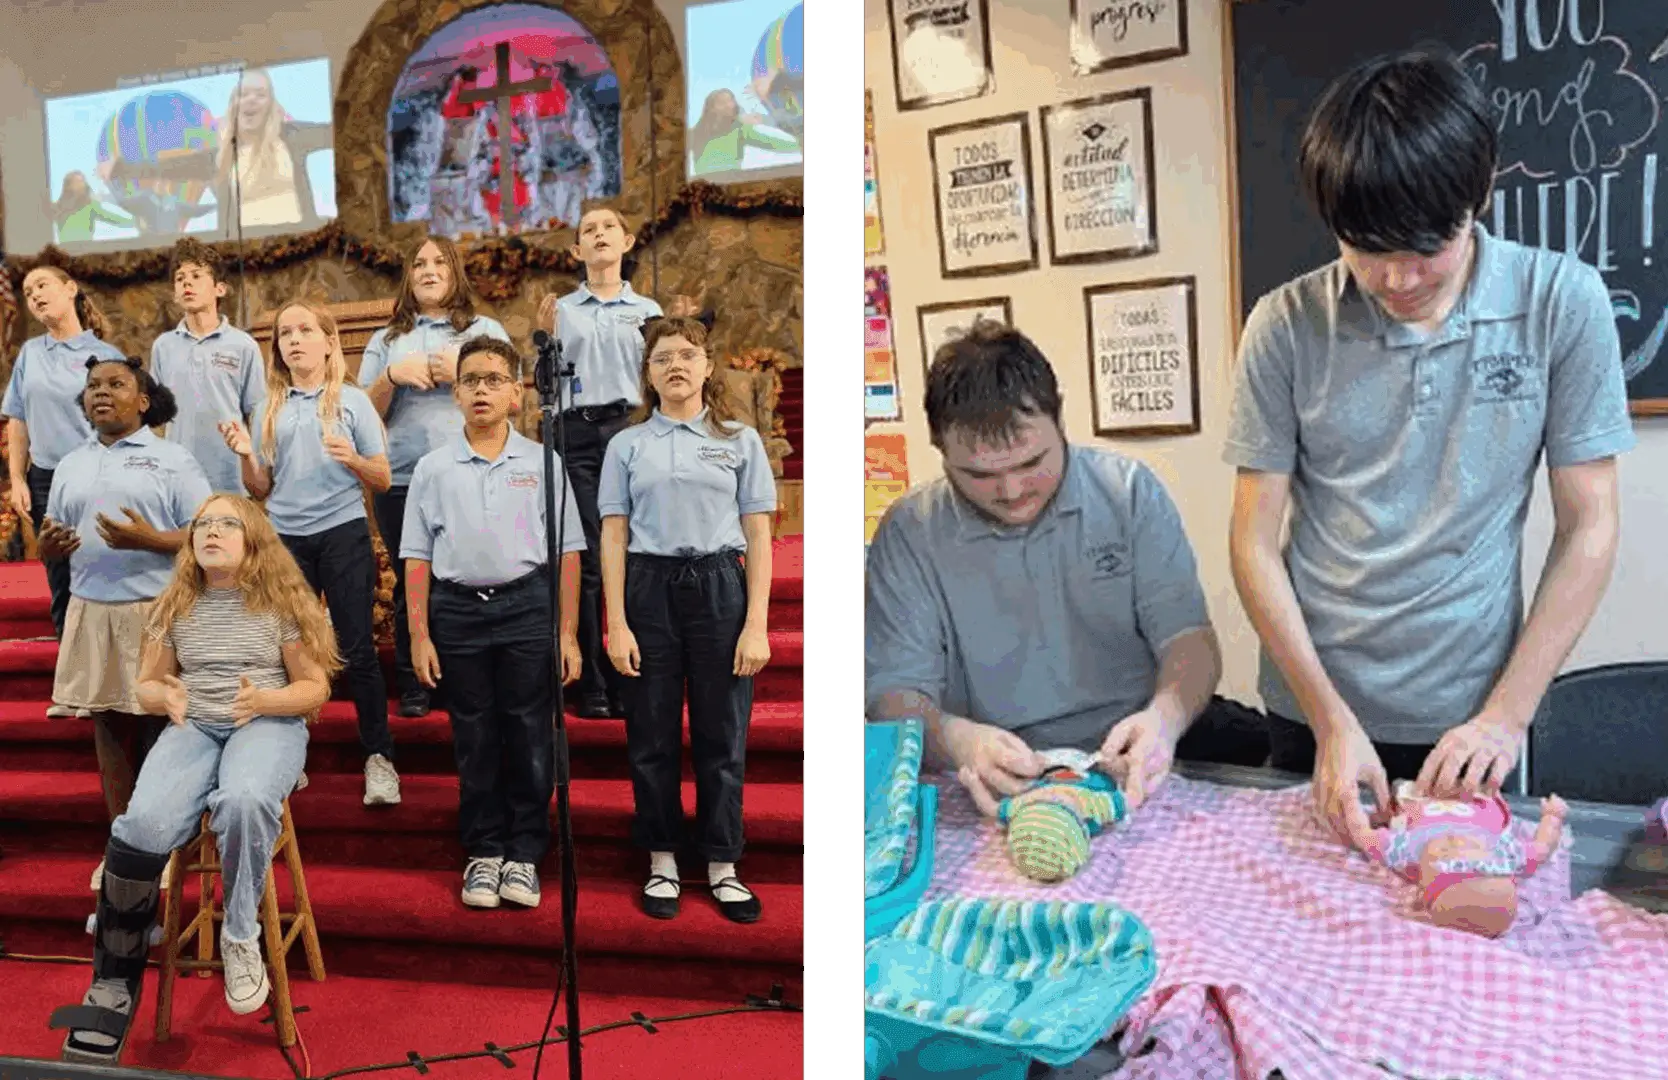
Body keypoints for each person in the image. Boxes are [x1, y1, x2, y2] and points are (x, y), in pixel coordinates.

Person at [1224, 48, 1633, 854]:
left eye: (1425, 247)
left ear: (1478, 192)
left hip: (1471, 718)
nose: (1396, 276)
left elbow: (1589, 526)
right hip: (1313, 707)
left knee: (1463, 924)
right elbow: (1251, 541)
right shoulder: (1284, 324)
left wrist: (1506, 716)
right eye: (1365, 247)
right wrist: (1329, 718)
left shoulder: (1561, 301)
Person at [865, 322, 1223, 818]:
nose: (1011, 492)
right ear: (939, 448)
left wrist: (1164, 720)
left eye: (1032, 462)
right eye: (979, 475)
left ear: (1060, 418)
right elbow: (892, 696)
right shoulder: (909, 531)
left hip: (1131, 752)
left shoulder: (1130, 493)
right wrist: (957, 739)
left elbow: (1189, 639)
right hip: (993, 773)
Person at [49, 494, 339, 1064]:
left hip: (267, 722)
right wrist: (164, 694)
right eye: (203, 524)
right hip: (195, 726)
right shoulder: (175, 602)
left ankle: (239, 937)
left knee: (243, 797)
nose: (211, 531)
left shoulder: (280, 601)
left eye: (226, 523)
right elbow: (148, 685)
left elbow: (315, 687)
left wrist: (269, 699)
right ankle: (114, 972)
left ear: (252, 536)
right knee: (141, 826)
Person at [599, 315, 776, 923]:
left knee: (721, 735)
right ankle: (663, 860)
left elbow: (758, 532)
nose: (676, 365)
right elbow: (614, 535)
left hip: (720, 587)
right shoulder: (627, 445)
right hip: (649, 588)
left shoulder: (739, 440)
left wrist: (756, 624)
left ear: (707, 366)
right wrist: (615, 622)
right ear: (647, 374)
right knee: (650, 735)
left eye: (687, 355)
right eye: (662, 358)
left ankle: (723, 864)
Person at [402, 336, 585, 909]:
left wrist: (568, 633)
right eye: (471, 380)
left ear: (516, 393)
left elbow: (569, 552)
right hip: (456, 612)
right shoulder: (433, 468)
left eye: (494, 379)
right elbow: (416, 556)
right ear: (456, 394)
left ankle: (526, 852)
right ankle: (484, 850)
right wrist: (418, 633)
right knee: (474, 735)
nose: (482, 389)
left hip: (527, 607)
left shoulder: (542, 462)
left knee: (530, 733)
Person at [219, 299, 399, 806]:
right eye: (284, 333)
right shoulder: (269, 408)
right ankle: (286, 759)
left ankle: (379, 759)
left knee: (356, 649)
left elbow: (383, 478)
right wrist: (245, 454)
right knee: (286, 653)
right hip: (286, 540)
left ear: (326, 340)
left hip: (343, 533)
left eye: (304, 330)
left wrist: (355, 459)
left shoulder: (351, 400)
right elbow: (259, 487)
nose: (294, 339)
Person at [41, 357, 211, 847]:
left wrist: (150, 540)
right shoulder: (70, 463)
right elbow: (52, 538)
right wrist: (50, 549)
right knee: (110, 728)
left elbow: (211, 532)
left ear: (142, 401)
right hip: (92, 607)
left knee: (164, 728)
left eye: (116, 384)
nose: (101, 392)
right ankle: (126, 843)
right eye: (93, 385)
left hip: (156, 610)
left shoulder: (172, 458)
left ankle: (167, 843)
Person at [359, 236, 512, 717]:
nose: (428, 270)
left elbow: (519, 398)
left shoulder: (485, 328)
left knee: (464, 577)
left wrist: (466, 372)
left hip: (475, 472)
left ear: (454, 273)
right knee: (413, 581)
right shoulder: (386, 340)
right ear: (408, 276)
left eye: (439, 262)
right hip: (402, 477)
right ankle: (414, 683)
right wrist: (391, 377)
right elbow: (360, 413)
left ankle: (465, 679)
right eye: (419, 263)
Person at [535, 206, 664, 719]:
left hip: (633, 428)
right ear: (577, 251)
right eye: (588, 230)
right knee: (589, 556)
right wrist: (543, 338)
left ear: (627, 241)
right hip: (579, 433)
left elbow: (659, 377)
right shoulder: (561, 309)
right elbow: (544, 382)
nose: (599, 234)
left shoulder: (647, 308)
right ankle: (593, 682)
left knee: (638, 553)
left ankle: (637, 675)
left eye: (608, 227)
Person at [2, 267, 126, 657]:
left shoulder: (106, 356)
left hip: (98, 475)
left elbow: (126, 426)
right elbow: (18, 419)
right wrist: (17, 479)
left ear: (70, 289)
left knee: (104, 572)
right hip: (45, 480)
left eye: (42, 285)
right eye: (26, 291)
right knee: (60, 577)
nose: (34, 295)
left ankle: (110, 672)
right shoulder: (30, 354)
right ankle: (71, 680)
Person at [149, 239, 266, 495]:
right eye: (180, 278)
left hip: (231, 478)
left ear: (220, 289)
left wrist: (256, 466)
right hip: (178, 479)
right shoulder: (163, 346)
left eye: (196, 276)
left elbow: (258, 413)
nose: (186, 283)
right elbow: (154, 417)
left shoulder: (243, 345)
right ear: (175, 293)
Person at [212, 68, 330, 232]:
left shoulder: (291, 136)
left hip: (297, 242)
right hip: (250, 251)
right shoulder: (222, 156)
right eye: (243, 94)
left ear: (270, 104)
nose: (251, 99)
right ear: (234, 104)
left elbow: (337, 131)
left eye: (260, 95)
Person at [688, 89, 799, 178]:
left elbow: (772, 143)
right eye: (722, 103)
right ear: (711, 108)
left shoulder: (739, 129)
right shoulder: (695, 133)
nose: (728, 105)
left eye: (730, 101)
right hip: (720, 183)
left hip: (712, 185)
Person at [49, 171, 136, 243]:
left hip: (85, 252)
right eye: (78, 182)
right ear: (68, 186)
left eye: (82, 181)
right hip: (65, 253)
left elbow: (112, 218)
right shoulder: (58, 207)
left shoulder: (90, 206)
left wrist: (135, 222)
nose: (82, 184)